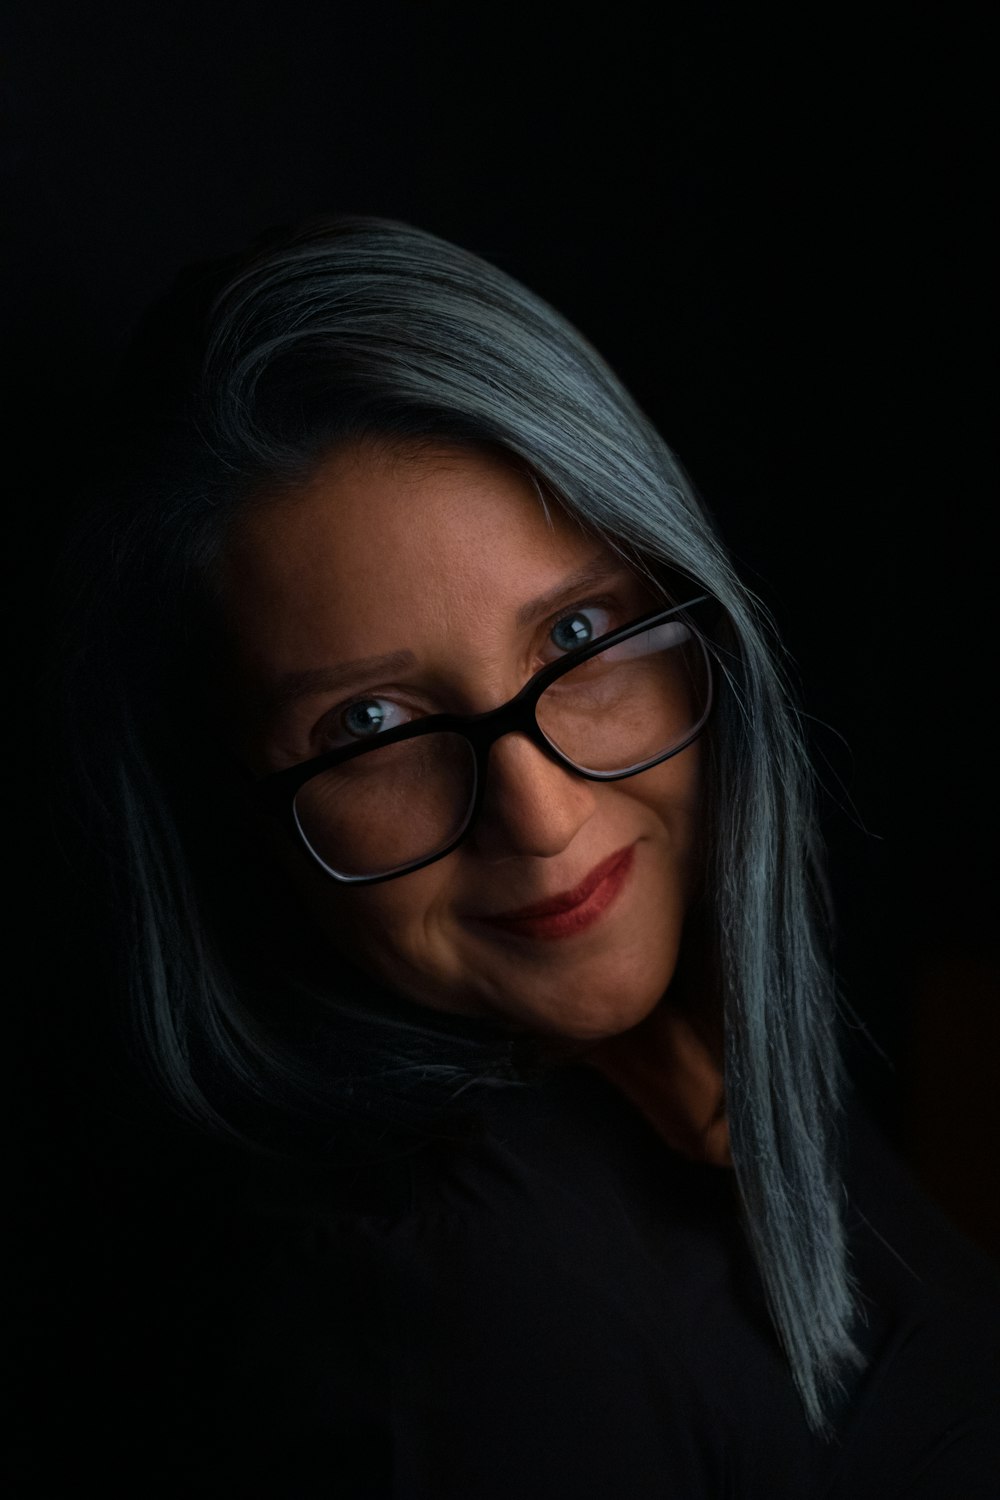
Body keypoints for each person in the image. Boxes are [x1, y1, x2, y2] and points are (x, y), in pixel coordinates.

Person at [46, 215, 999, 1496]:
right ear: (231, 800)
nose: (540, 818)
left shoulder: (704, 1060)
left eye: (575, 635)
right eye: (369, 725)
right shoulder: (477, 1292)